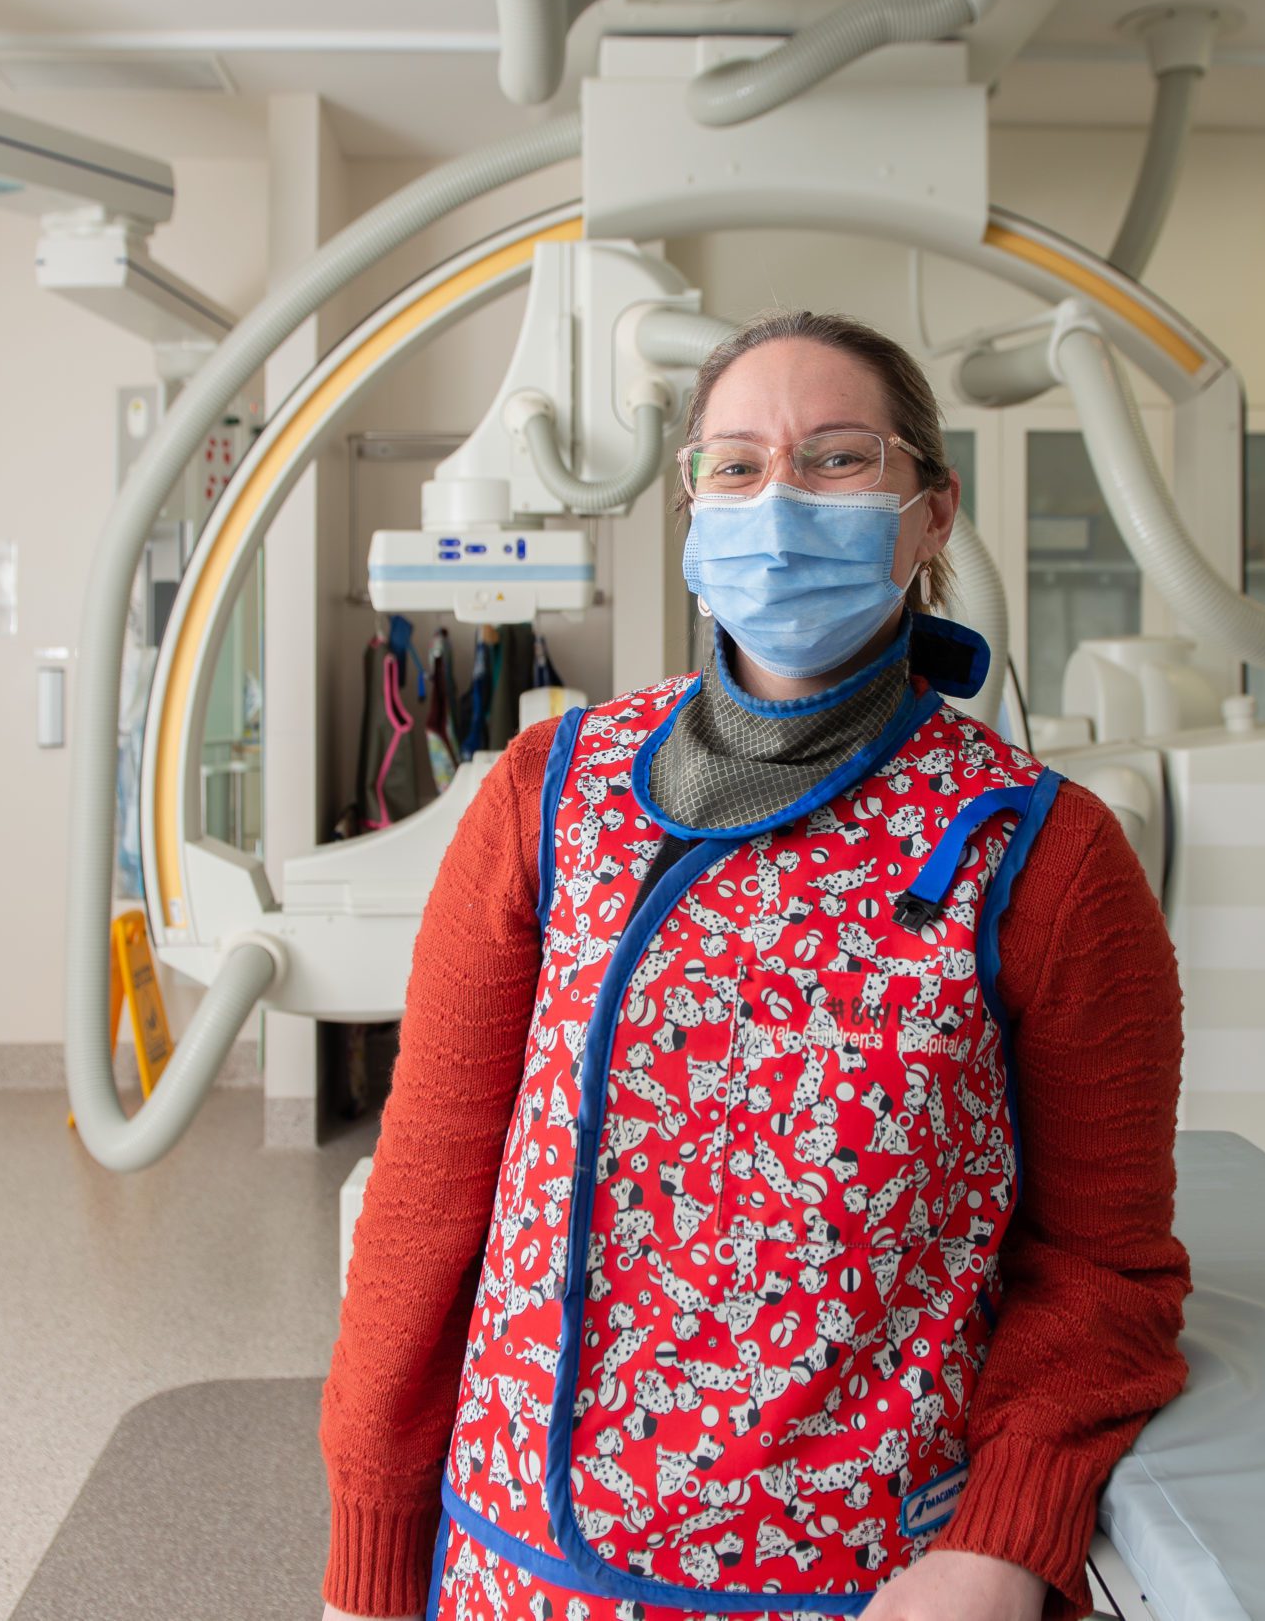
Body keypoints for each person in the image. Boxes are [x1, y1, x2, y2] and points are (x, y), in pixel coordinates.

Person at [320, 311, 1189, 1621]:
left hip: (857, 1585)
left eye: (837, 459)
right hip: (521, 1564)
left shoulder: (1042, 857)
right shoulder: (547, 797)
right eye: (736, 465)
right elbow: (429, 1198)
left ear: (931, 511)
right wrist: (374, 1554)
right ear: (690, 504)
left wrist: (1005, 1542)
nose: (778, 500)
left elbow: (1107, 1273)